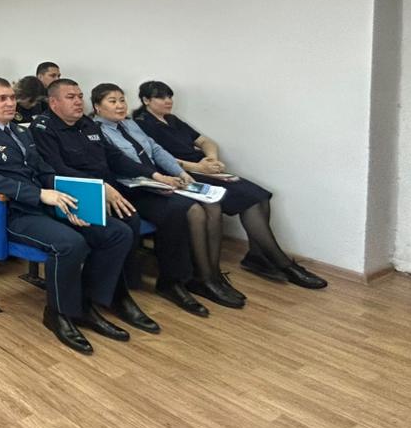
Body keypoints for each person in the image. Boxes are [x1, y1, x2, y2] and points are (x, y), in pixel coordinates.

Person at [0, 78, 135, 354]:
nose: (10, 103)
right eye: (2, 98)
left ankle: (86, 303)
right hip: (10, 210)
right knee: (70, 244)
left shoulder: (21, 131)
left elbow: (43, 170)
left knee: (117, 233)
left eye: (12, 97)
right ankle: (58, 313)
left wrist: (68, 199)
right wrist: (40, 195)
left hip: (45, 202)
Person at [30, 80, 195, 321]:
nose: (78, 101)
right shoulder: (43, 128)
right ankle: (112, 294)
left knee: (131, 216)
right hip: (75, 194)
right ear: (54, 103)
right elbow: (57, 170)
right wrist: (99, 188)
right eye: (70, 97)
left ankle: (119, 289)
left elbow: (115, 157)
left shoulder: (86, 124)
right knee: (122, 226)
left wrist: (155, 175)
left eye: (80, 96)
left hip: (105, 189)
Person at [134, 81, 325, 289]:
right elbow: (158, 158)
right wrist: (199, 167)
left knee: (259, 196)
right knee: (248, 199)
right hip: (184, 173)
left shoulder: (172, 119)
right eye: (161, 97)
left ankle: (257, 256)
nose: (168, 101)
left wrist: (211, 159)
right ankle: (282, 263)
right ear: (146, 100)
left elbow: (205, 142)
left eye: (169, 96)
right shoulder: (142, 124)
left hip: (203, 168)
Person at [91, 84, 246, 309]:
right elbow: (120, 165)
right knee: (190, 210)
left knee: (212, 205)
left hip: (158, 181)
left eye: (122, 100)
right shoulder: (96, 131)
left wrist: (180, 173)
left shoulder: (130, 124)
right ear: (97, 107)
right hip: (132, 189)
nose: (120, 105)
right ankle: (176, 280)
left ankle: (210, 274)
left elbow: (156, 150)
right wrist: (159, 178)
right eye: (112, 101)